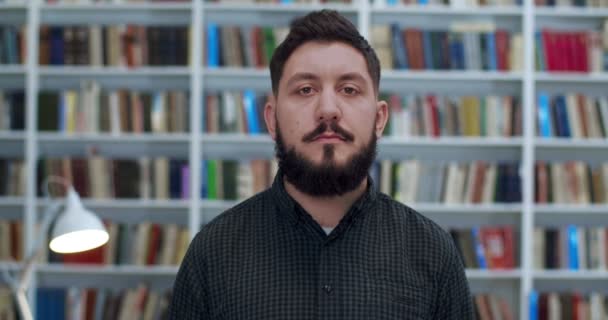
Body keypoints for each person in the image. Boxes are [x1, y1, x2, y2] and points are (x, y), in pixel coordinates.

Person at [169, 9, 474, 319]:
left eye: (349, 90)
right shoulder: (213, 252)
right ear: (272, 119)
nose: (328, 110)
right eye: (305, 90)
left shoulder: (434, 254)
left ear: (380, 119)